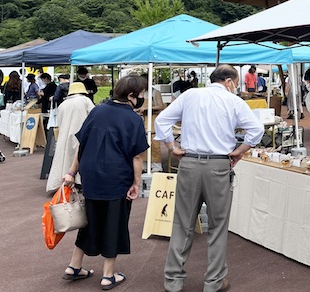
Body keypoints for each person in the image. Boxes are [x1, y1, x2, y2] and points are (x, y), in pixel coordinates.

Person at [154, 65, 264, 292]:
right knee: (218, 225)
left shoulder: (190, 95)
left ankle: (173, 280)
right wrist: (239, 151)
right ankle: (214, 281)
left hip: (189, 163)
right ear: (229, 81)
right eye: (236, 83)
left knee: (182, 223)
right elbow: (256, 130)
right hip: (219, 165)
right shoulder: (233, 101)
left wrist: (172, 147)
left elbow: (161, 121)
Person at [61, 74, 149, 289]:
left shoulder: (97, 110)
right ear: (131, 95)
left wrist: (71, 172)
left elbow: (81, 145)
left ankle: (74, 265)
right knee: (114, 224)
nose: (143, 97)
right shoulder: (133, 119)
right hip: (116, 177)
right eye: (141, 94)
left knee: (89, 219)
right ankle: (108, 274)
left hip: (91, 175)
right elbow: (137, 157)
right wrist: (136, 183)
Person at [46, 82, 95, 193]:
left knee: (64, 158)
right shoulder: (85, 100)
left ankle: (61, 182)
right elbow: (94, 117)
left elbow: (59, 122)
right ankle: (79, 182)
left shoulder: (63, 104)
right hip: (81, 133)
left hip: (64, 134)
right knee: (79, 157)